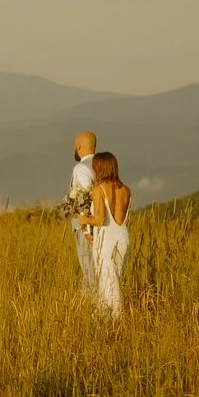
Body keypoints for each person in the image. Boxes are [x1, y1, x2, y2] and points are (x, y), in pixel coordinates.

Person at [79, 150, 132, 316]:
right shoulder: (126, 190)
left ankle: (113, 320)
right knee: (116, 280)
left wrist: (84, 220)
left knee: (107, 283)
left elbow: (100, 219)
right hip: (123, 239)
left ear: (99, 168)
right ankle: (112, 318)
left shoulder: (98, 190)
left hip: (106, 241)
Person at [68, 130, 99, 295]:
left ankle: (91, 306)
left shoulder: (81, 168)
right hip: (103, 222)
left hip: (86, 225)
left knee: (88, 265)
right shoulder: (102, 165)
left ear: (79, 146)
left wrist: (86, 227)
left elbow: (84, 198)